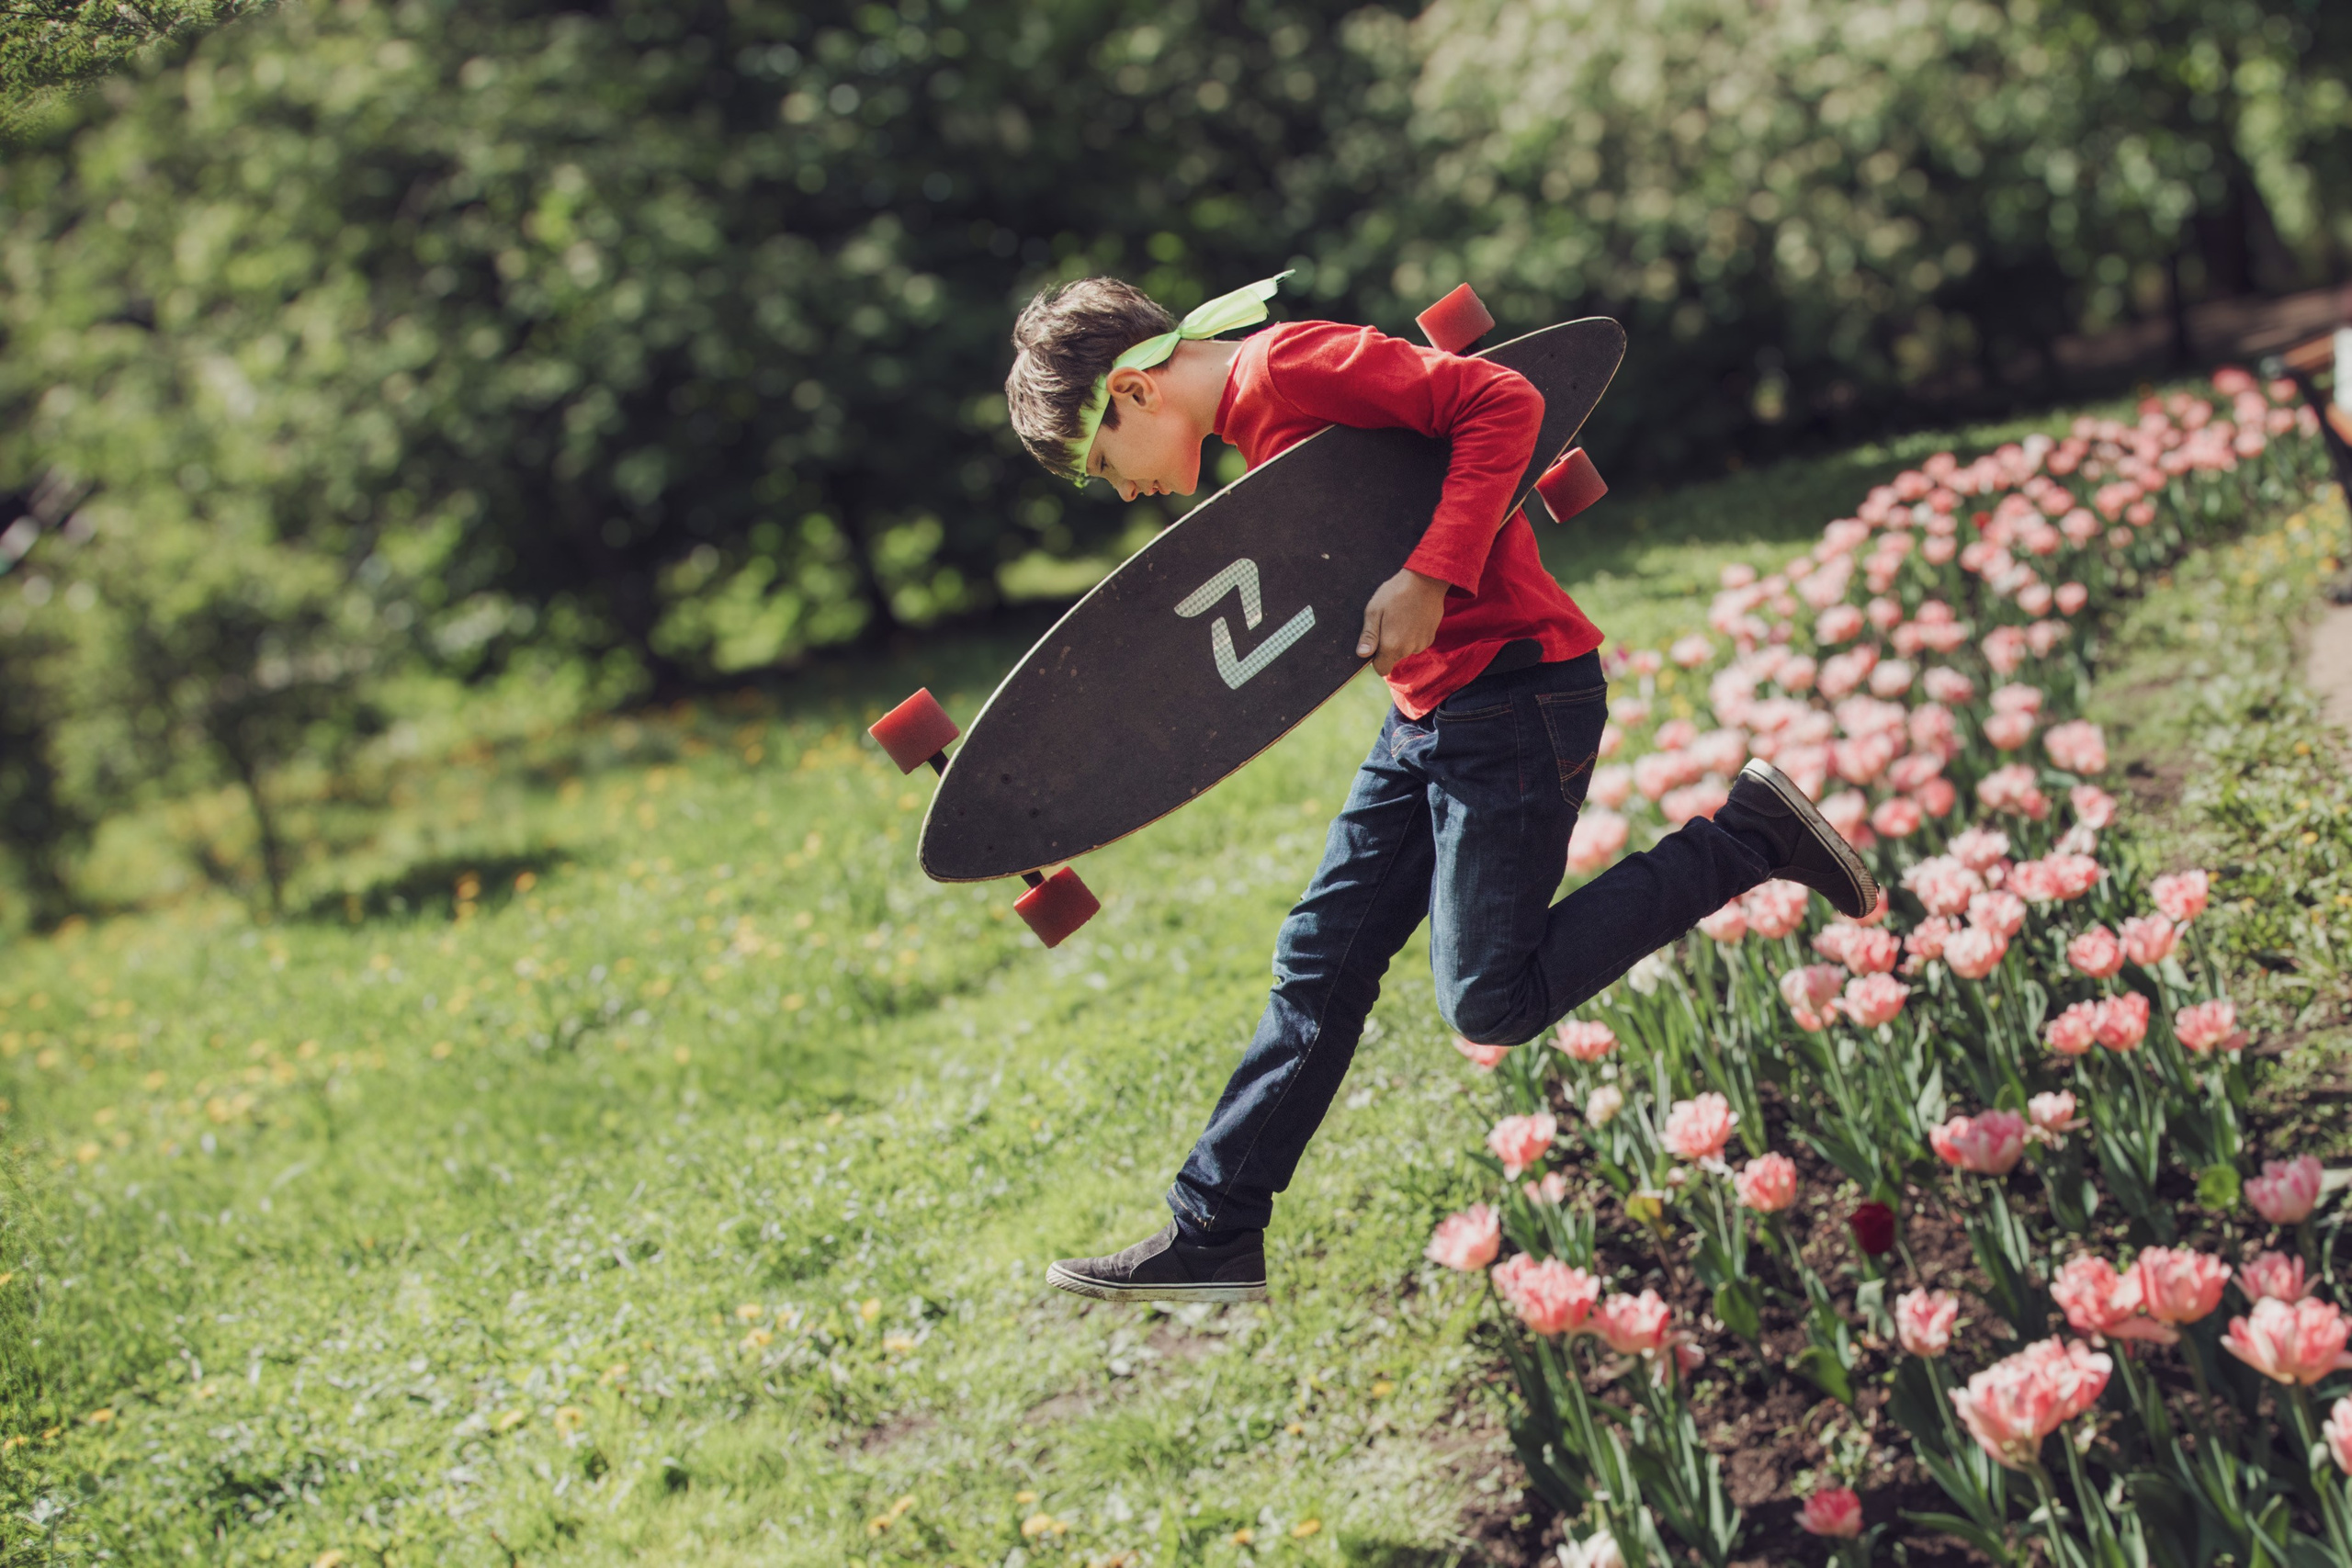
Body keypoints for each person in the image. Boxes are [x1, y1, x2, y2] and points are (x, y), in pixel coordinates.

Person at [1000, 273, 1874, 1303]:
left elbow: (1502, 401)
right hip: (1433, 714)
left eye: (1106, 465)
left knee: (1490, 999)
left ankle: (1748, 836)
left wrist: (1431, 575)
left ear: (1136, 392)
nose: (1123, 490)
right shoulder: (1254, 423)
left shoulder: (1286, 367)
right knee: (1318, 962)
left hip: (1513, 696)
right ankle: (1214, 1230)